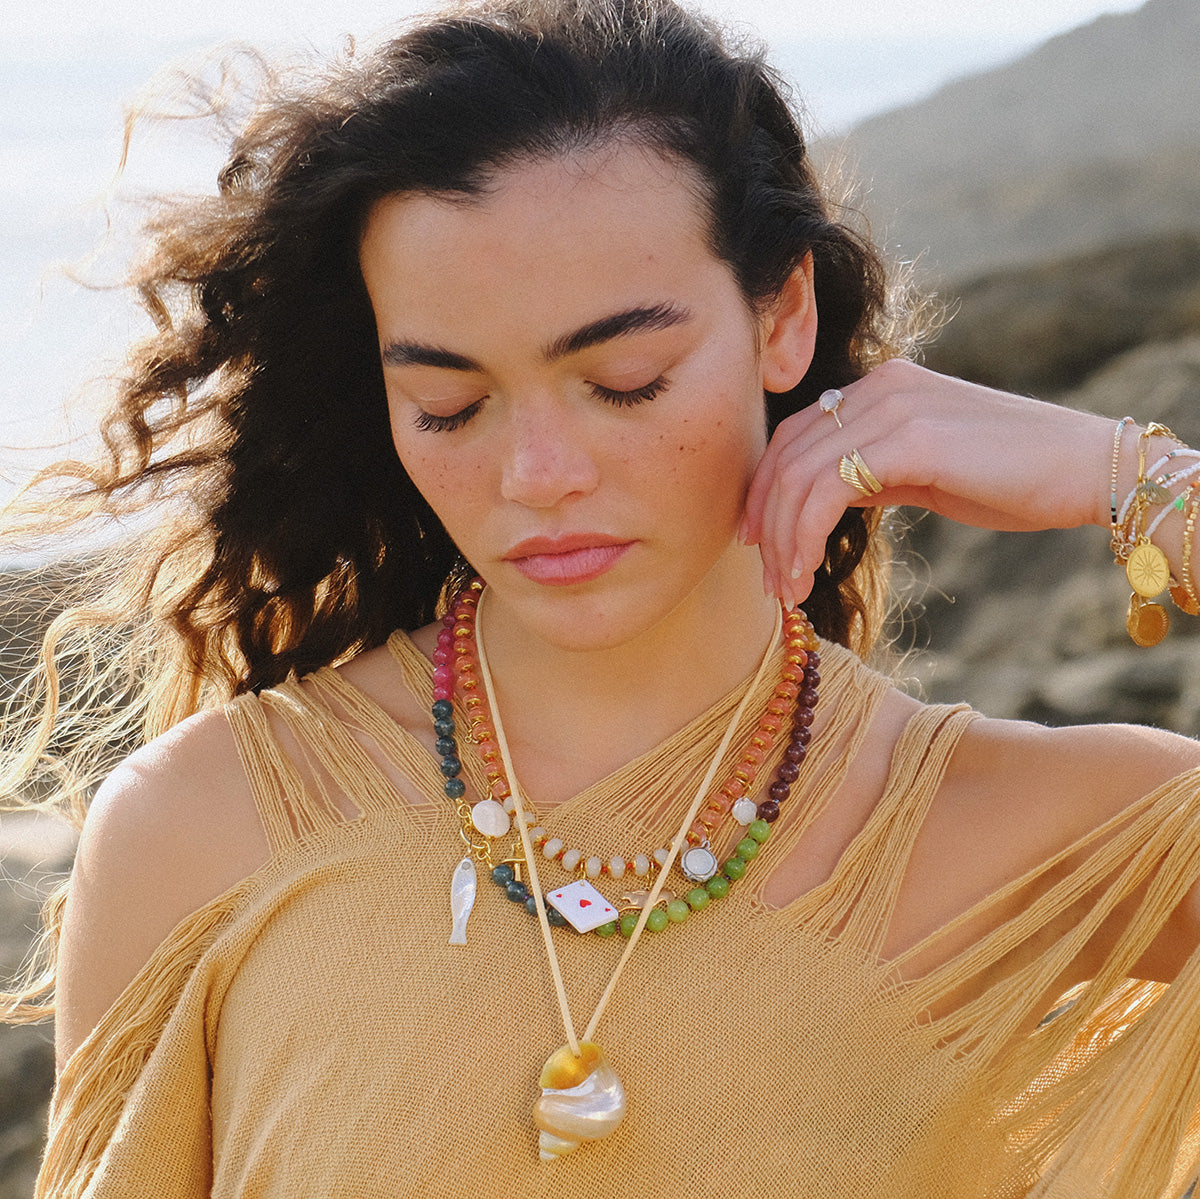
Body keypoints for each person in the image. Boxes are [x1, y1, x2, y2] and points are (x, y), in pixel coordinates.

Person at [4, 0, 1200, 1195]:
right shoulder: (203, 831)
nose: (538, 476)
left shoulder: (1032, 836)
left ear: (782, 318)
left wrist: (1139, 480)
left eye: (624, 380)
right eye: (449, 404)